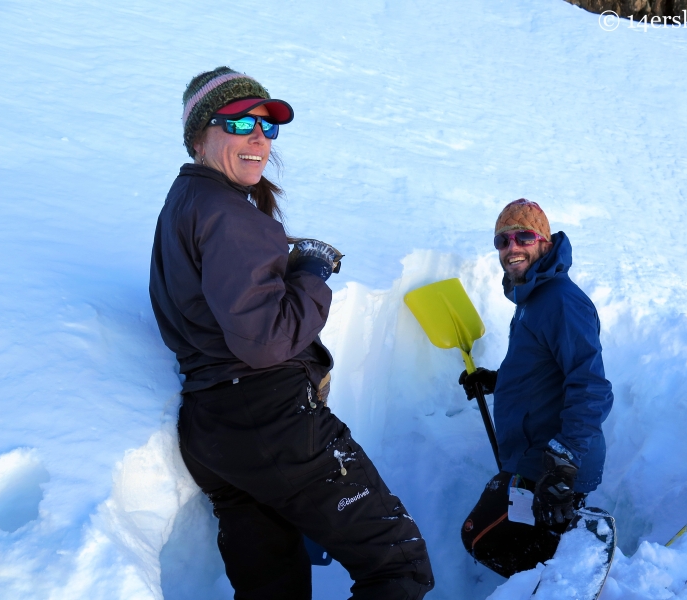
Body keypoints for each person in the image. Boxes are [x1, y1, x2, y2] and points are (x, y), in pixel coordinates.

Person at [149, 66, 433, 600]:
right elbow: (267, 341)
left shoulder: (185, 203)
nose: (257, 137)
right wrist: (311, 275)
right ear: (199, 136)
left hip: (215, 430)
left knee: (272, 590)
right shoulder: (225, 213)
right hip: (272, 420)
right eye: (238, 123)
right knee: (400, 565)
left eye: (266, 125)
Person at [458, 199, 613, 577]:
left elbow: (591, 386)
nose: (512, 247)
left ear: (544, 242)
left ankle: (562, 581)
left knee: (483, 538)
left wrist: (562, 466)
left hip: (554, 465)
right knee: (522, 545)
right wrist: (496, 380)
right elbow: (544, 367)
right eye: (503, 240)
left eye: (523, 236)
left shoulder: (560, 300)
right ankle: (555, 573)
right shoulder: (532, 297)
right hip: (536, 457)